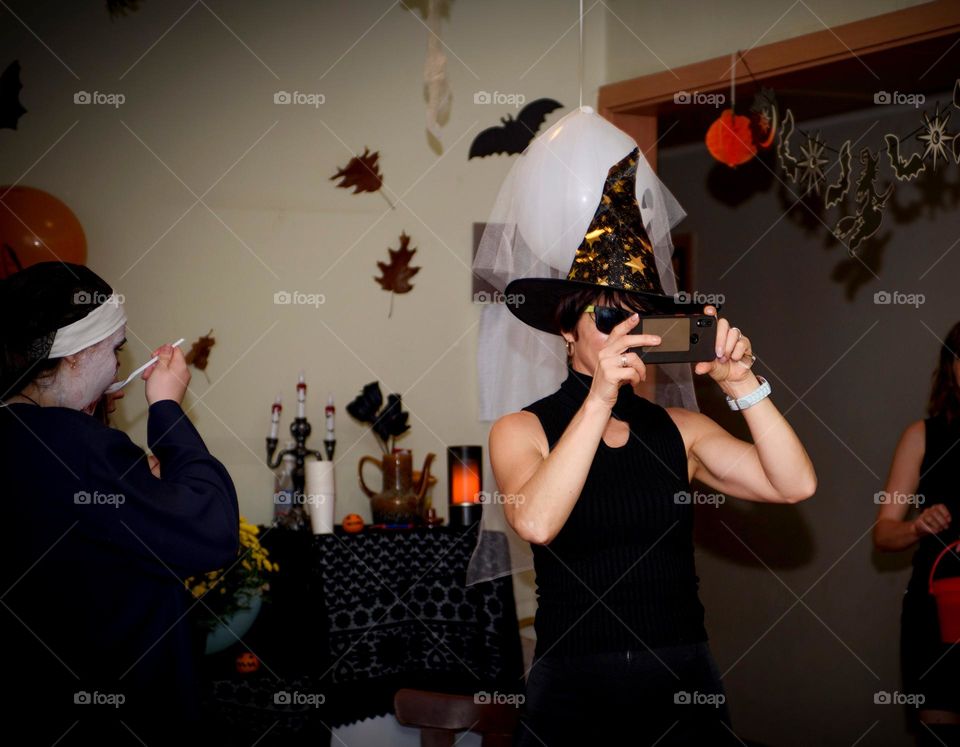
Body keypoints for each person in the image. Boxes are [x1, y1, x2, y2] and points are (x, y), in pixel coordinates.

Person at [487, 148, 817, 745]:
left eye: (638, 318)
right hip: (574, 685)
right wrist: (598, 401)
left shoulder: (679, 429)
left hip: (681, 674)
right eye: (607, 315)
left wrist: (743, 384)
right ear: (567, 329)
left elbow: (793, 484)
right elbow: (535, 521)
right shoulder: (522, 429)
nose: (623, 333)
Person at [0, 262, 239, 745]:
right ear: (76, 354)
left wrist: (137, 487)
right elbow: (212, 531)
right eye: (115, 351)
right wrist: (168, 408)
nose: (118, 368)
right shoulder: (80, 449)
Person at [874, 320, 960, 747]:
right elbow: (884, 534)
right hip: (938, 610)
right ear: (951, 369)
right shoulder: (922, 435)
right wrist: (917, 525)